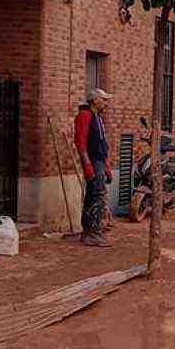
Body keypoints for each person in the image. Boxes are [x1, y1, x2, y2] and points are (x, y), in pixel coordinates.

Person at [74, 88, 113, 247]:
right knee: (96, 195)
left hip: (99, 161)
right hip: (93, 160)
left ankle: (91, 231)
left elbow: (102, 145)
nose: (106, 103)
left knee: (95, 195)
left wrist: (107, 166)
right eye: (103, 99)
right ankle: (92, 232)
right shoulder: (85, 116)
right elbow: (81, 143)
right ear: (95, 100)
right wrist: (87, 165)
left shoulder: (97, 117)